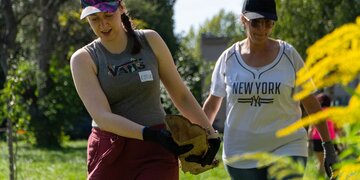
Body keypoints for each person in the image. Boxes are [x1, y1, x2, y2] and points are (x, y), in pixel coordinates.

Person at [70, 0, 220, 179]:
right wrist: (149, 135)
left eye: (108, 15)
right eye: (94, 19)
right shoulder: (83, 59)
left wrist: (211, 135)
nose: (103, 24)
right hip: (111, 148)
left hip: (157, 149)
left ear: (121, 9)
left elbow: (181, 95)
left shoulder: (150, 40)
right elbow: (102, 117)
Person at [202, 0, 338, 179]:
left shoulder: (289, 55)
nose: (262, 29)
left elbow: (311, 104)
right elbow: (212, 105)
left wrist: (328, 146)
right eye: (255, 22)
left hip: (288, 147)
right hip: (240, 153)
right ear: (243, 20)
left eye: (268, 23)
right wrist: (199, 141)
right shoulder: (229, 58)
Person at [309, 93, 341, 174]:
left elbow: (311, 128)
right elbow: (337, 128)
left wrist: (309, 142)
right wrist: (341, 141)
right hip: (330, 139)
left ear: (321, 101)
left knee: (320, 163)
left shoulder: (316, 112)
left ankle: (320, 177)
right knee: (333, 163)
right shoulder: (333, 112)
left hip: (316, 139)